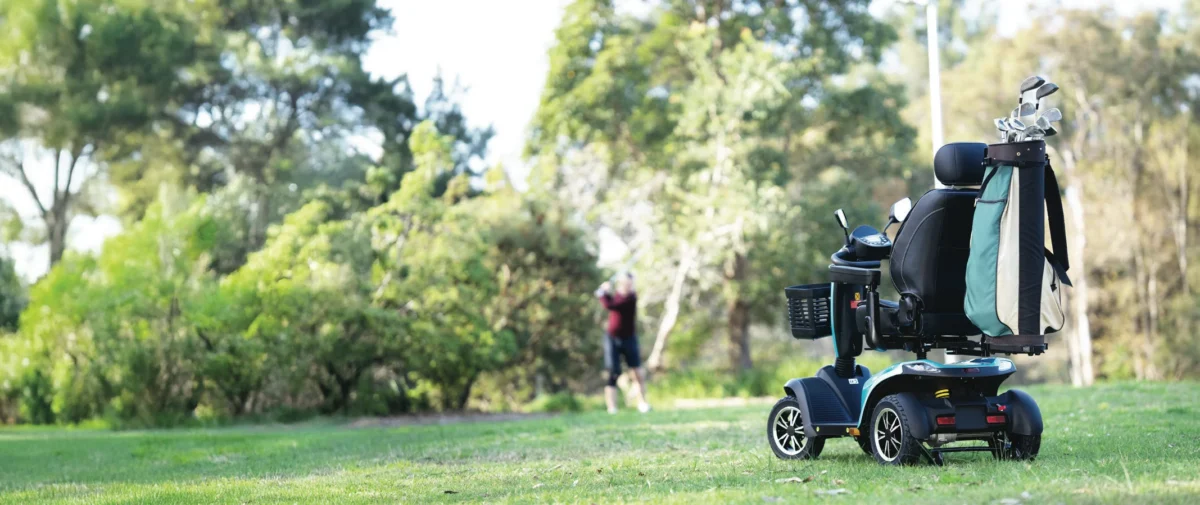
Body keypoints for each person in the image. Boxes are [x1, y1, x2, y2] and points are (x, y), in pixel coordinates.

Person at [596, 272, 650, 414]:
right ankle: (612, 407)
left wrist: (602, 293)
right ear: (621, 283)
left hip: (629, 338)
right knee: (613, 372)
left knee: (637, 372)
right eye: (626, 283)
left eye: (631, 283)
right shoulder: (617, 296)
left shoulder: (631, 297)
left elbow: (611, 305)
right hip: (612, 339)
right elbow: (611, 302)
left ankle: (642, 403)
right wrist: (605, 291)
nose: (629, 286)